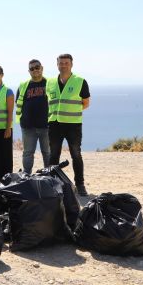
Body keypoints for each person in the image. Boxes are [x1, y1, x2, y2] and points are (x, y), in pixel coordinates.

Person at [47, 54, 91, 196]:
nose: (63, 65)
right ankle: (52, 184)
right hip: (54, 124)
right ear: (57, 64)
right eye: (61, 63)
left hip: (73, 125)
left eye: (66, 63)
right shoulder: (50, 82)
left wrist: (71, 112)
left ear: (71, 64)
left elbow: (85, 103)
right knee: (53, 154)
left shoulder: (80, 81)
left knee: (76, 154)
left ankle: (80, 184)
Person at [16, 59, 50, 173]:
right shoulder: (23, 86)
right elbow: (18, 103)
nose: (35, 70)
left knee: (48, 153)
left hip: (47, 126)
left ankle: (50, 177)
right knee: (28, 153)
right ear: (29, 71)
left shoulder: (50, 84)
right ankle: (26, 176)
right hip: (28, 127)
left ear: (42, 68)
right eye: (32, 68)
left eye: (37, 67)